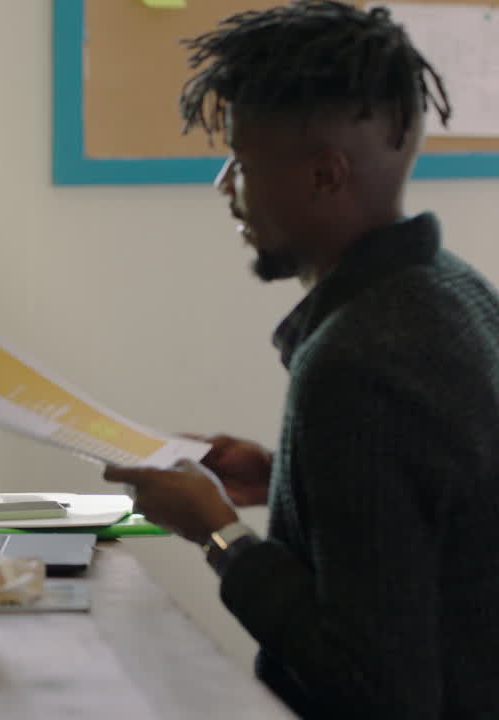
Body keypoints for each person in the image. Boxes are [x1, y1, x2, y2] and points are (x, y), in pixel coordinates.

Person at [102, 2, 499, 717]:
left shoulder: (358, 360)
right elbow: (438, 527)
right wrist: (288, 481)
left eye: (243, 163)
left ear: (325, 175)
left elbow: (373, 689)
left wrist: (216, 532)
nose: (225, 185)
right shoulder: (455, 288)